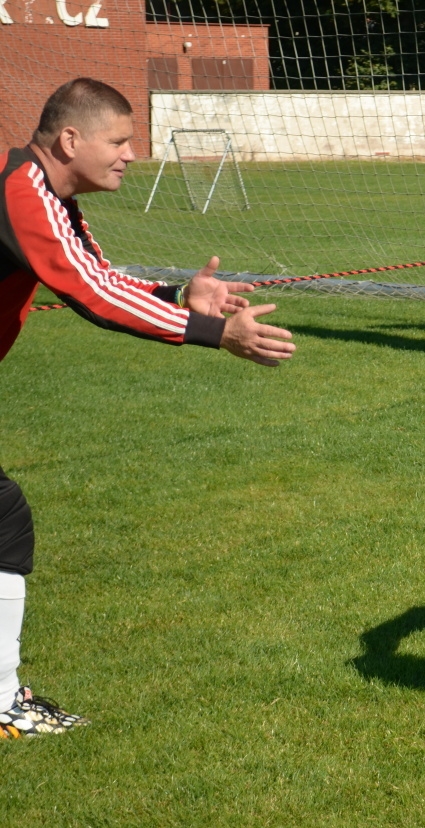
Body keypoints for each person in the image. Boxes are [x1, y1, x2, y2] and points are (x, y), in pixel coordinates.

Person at [0, 78, 296, 737]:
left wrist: (178, 295)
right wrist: (218, 334)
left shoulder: (48, 196)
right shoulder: (23, 192)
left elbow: (98, 275)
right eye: (120, 140)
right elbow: (90, 296)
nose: (132, 154)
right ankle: (3, 705)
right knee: (3, 520)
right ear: (69, 139)